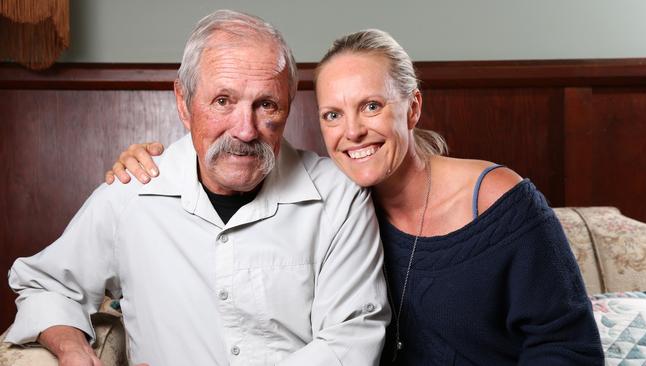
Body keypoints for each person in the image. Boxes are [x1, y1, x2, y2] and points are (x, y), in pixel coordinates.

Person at [109, 29, 605, 365]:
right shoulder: (330, 206)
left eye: (371, 106)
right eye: (332, 115)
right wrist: (158, 166)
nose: (353, 133)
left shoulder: (498, 201)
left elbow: (568, 347)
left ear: (411, 109)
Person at [5, 10, 391, 366]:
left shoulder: (340, 198)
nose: (244, 129)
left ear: (289, 106)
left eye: (266, 105)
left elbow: (350, 340)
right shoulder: (132, 192)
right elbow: (44, 285)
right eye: (223, 101)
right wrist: (73, 348)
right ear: (184, 104)